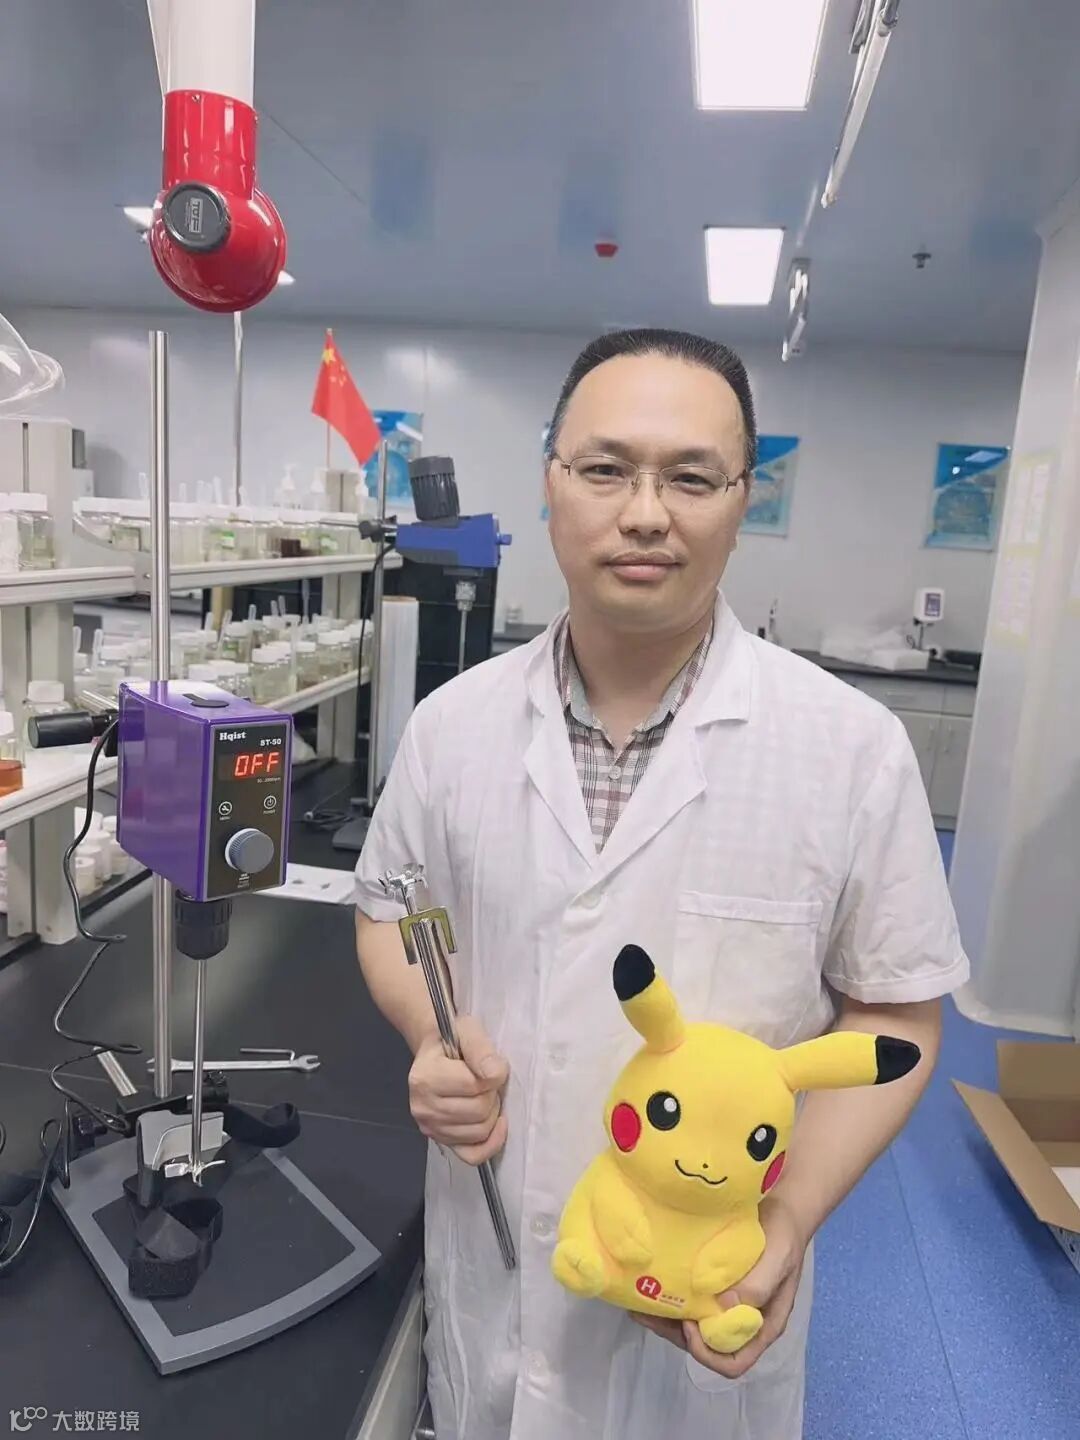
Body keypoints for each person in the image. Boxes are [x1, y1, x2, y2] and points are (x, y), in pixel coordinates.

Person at [354, 328, 968, 1440]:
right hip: (492, 1259)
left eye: (692, 477)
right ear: (551, 484)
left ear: (742, 500)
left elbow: (897, 1016)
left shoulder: (850, 750)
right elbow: (398, 913)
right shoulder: (451, 729)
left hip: (703, 1302)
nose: (645, 513)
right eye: (605, 468)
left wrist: (789, 1221)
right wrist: (430, 1034)